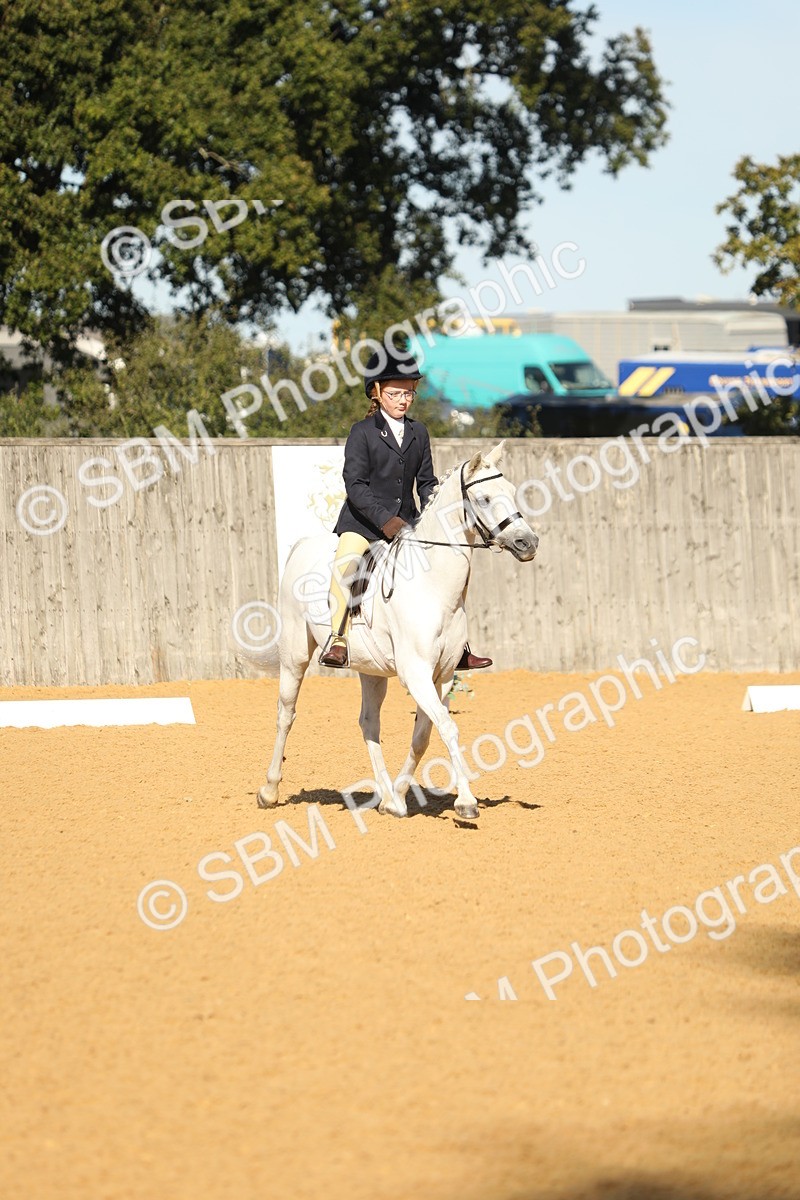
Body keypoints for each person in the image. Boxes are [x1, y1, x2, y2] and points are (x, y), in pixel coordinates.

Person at [319, 346, 493, 671]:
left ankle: (460, 646)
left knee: (453, 572)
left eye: (409, 393)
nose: (404, 399)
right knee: (344, 568)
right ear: (377, 392)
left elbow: (426, 484)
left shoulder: (419, 432)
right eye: (396, 393)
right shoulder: (362, 432)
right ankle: (338, 638)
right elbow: (355, 486)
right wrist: (385, 521)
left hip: (409, 526)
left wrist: (438, 518)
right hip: (364, 525)